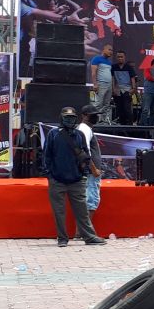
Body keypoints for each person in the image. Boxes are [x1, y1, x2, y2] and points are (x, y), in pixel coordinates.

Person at [42, 106, 106, 247]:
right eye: (66, 118)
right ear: (61, 118)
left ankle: (89, 237)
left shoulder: (79, 135)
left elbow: (85, 156)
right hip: (57, 179)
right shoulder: (53, 134)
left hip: (76, 180)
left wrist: (83, 175)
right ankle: (62, 238)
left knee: (82, 211)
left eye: (71, 118)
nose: (69, 120)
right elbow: (46, 156)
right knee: (59, 212)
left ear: (76, 118)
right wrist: (50, 175)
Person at [77, 105, 104, 233]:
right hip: (90, 172)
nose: (96, 117)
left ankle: (81, 231)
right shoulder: (84, 129)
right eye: (92, 115)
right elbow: (85, 151)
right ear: (84, 115)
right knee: (91, 201)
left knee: (88, 201)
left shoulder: (84, 129)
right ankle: (86, 232)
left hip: (88, 171)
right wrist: (94, 169)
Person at [111, 50, 139, 125]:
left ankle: (130, 125)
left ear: (124, 57)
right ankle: (121, 125)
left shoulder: (129, 67)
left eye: (121, 57)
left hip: (127, 90)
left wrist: (133, 89)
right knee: (119, 109)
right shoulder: (114, 67)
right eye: (118, 57)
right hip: (117, 90)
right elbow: (113, 78)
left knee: (127, 109)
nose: (120, 58)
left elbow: (132, 78)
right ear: (116, 58)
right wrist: (113, 89)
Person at [89, 44, 114, 123]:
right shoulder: (96, 59)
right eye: (109, 50)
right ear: (103, 50)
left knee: (106, 104)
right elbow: (93, 73)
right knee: (99, 104)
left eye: (112, 50)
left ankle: (104, 121)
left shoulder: (109, 62)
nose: (111, 52)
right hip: (101, 84)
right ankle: (94, 121)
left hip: (109, 85)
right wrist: (95, 84)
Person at [140, 56, 154, 126]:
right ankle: (143, 125)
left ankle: (152, 125)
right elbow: (149, 77)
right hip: (148, 92)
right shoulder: (147, 69)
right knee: (145, 109)